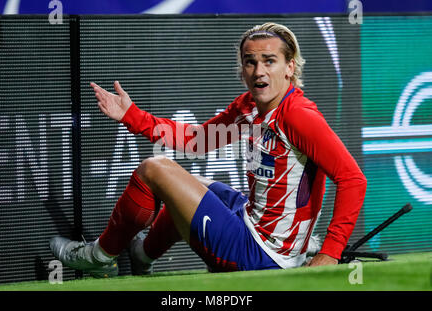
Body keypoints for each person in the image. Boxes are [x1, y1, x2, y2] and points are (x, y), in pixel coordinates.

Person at [50, 22, 367, 278]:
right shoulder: (249, 106)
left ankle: (99, 256)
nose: (259, 71)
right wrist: (131, 115)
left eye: (269, 61)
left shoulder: (298, 115)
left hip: (262, 256)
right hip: (253, 227)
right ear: (241, 69)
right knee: (198, 187)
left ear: (289, 67)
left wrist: (330, 253)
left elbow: (353, 179)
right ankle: (141, 255)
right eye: (250, 62)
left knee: (155, 169)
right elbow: (197, 141)